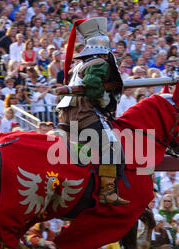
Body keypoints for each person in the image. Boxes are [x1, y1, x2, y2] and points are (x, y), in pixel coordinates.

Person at [56, 17, 126, 206]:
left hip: (66, 113)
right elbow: (92, 85)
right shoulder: (99, 63)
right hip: (83, 113)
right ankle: (107, 191)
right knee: (111, 146)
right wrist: (104, 101)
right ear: (104, 50)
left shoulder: (77, 65)